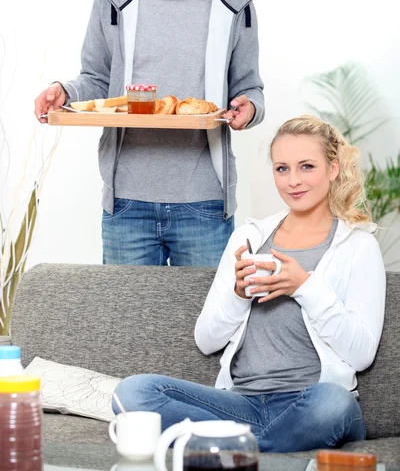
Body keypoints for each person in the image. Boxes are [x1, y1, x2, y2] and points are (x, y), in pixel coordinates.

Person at [112, 115, 386, 452]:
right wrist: (238, 295)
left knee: (335, 404)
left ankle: (225, 447)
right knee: (133, 392)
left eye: (307, 167)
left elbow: (361, 354)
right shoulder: (249, 237)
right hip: (240, 404)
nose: (293, 181)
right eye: (282, 168)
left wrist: (305, 286)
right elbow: (206, 340)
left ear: (332, 169)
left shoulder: (358, 246)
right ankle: (260, 447)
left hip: (311, 402)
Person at [33, 0, 264, 268]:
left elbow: (250, 87)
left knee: (206, 325)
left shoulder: (236, 5)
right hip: (127, 203)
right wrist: (65, 91)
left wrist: (249, 108)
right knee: (127, 327)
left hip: (205, 203)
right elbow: (96, 80)